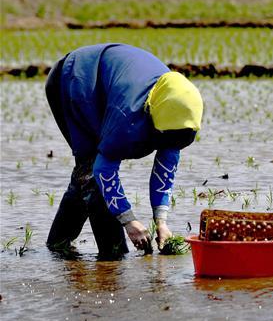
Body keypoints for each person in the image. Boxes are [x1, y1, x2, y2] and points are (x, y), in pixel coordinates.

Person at [45, 43, 203, 258]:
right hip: (75, 80)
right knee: (91, 173)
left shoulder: (178, 119)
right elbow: (104, 170)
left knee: (85, 175)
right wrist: (129, 221)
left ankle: (58, 243)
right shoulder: (129, 117)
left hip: (110, 84)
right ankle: (113, 257)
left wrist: (161, 222)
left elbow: (164, 171)